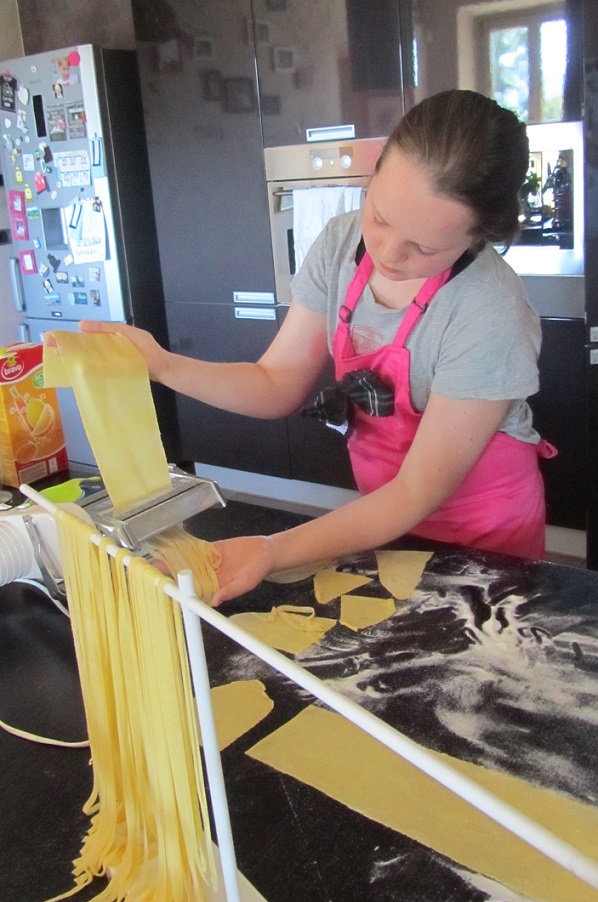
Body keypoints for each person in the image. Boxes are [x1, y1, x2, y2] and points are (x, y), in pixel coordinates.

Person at [76, 89, 554, 605]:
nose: (387, 253)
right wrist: (162, 365)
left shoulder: (490, 310)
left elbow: (416, 491)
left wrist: (272, 550)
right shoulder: (339, 242)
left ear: (481, 234)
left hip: (485, 544)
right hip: (379, 522)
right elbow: (275, 382)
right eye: (380, 217)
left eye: (424, 247)